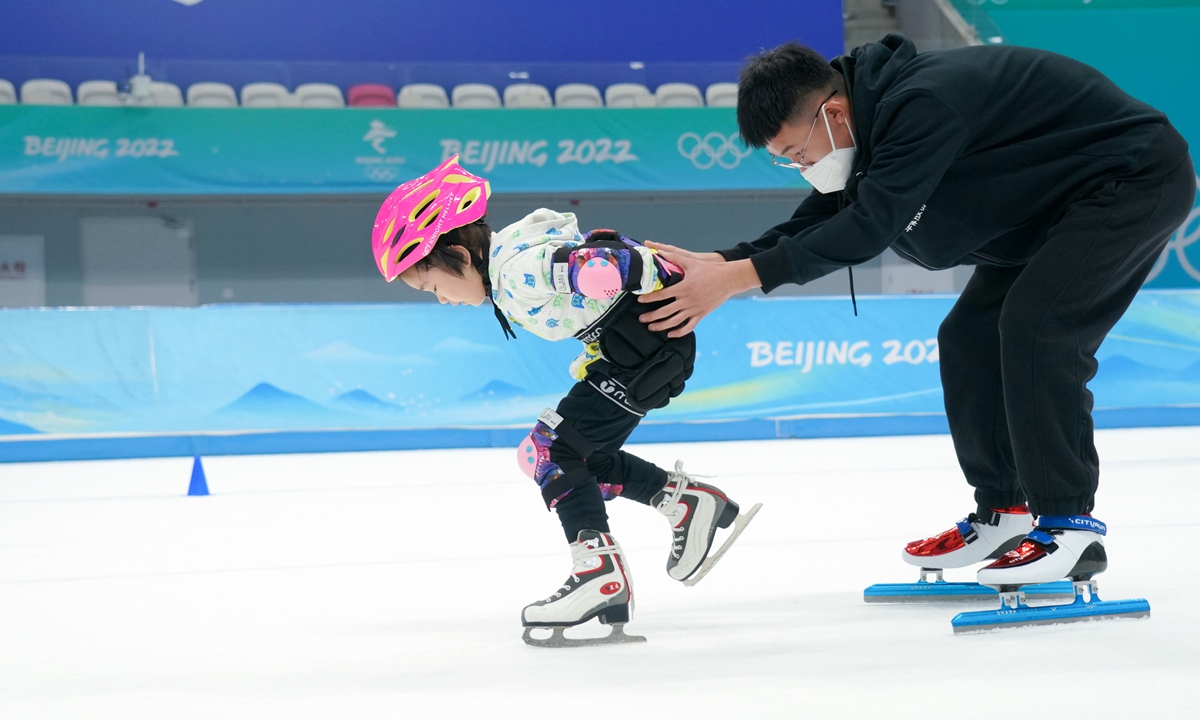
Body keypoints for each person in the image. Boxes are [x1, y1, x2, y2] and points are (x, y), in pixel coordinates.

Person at [638, 35, 1194, 589]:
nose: (801, 168)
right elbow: (829, 212)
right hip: (1050, 205)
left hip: (1131, 180)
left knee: (1040, 328)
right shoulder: (870, 117)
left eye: (799, 155)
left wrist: (734, 280)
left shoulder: (923, 103)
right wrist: (724, 260)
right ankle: (1005, 512)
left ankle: (1071, 528)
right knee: (968, 337)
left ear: (832, 113)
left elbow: (868, 225)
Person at [370, 155, 755, 645]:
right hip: (633, 355)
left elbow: (607, 264)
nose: (441, 299)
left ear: (462, 259)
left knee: (547, 452)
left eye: (432, 286)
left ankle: (600, 573)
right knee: (575, 458)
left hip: (646, 354)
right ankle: (686, 503)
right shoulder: (509, 269)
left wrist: (612, 270)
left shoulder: (518, 269)